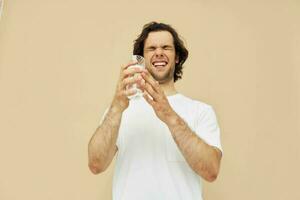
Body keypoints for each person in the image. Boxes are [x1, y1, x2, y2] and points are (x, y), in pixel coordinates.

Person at [88, 22, 223, 200]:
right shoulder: (120, 110)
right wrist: (116, 106)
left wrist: (169, 115)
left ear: (176, 57)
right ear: (141, 59)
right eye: (151, 48)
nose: (159, 52)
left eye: (166, 47)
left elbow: (211, 170)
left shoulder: (201, 111)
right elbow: (96, 164)